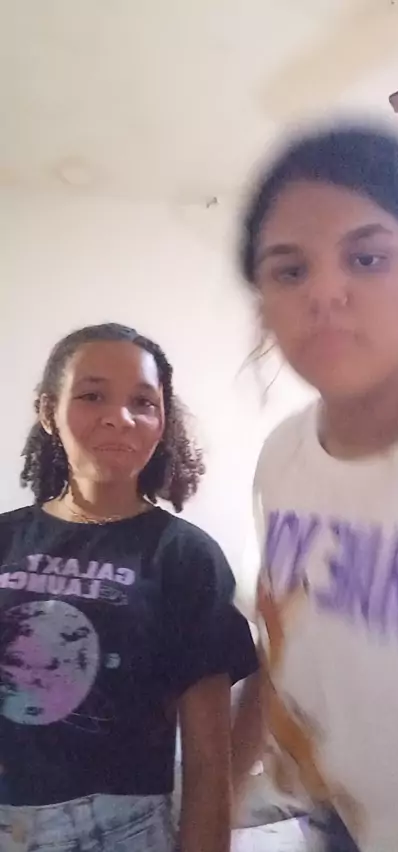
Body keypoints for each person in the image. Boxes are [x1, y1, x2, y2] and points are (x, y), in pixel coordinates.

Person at [231, 123, 398, 852]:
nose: (325, 293)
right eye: (289, 271)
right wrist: (220, 800)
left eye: (366, 258)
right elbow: (283, 636)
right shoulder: (282, 458)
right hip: (339, 824)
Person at [0, 322, 258, 852]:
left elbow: (210, 763)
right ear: (48, 411)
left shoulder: (184, 556)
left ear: (162, 422)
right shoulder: (6, 537)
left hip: (116, 828)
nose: (120, 417)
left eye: (143, 402)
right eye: (92, 395)